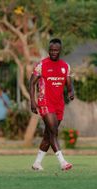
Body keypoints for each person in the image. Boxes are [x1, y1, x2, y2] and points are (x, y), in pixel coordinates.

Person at [30, 38, 74, 171]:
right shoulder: (41, 65)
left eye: (56, 50)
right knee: (54, 131)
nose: (53, 52)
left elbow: (69, 84)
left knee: (48, 135)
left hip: (59, 104)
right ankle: (63, 162)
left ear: (60, 51)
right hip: (45, 102)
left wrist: (71, 92)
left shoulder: (65, 66)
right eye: (51, 50)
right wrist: (33, 101)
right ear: (48, 50)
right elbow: (31, 83)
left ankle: (37, 163)